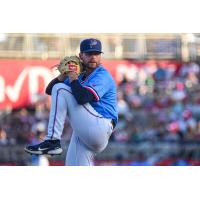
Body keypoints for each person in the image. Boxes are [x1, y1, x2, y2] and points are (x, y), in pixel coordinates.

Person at [25, 38, 118, 166]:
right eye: (89, 53)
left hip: (100, 126)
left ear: (100, 56)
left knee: (61, 89)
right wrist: (62, 76)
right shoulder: (79, 75)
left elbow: (82, 98)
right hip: (85, 132)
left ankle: (52, 141)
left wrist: (72, 78)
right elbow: (50, 91)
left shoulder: (103, 75)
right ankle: (53, 142)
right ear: (81, 56)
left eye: (96, 53)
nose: (93, 57)